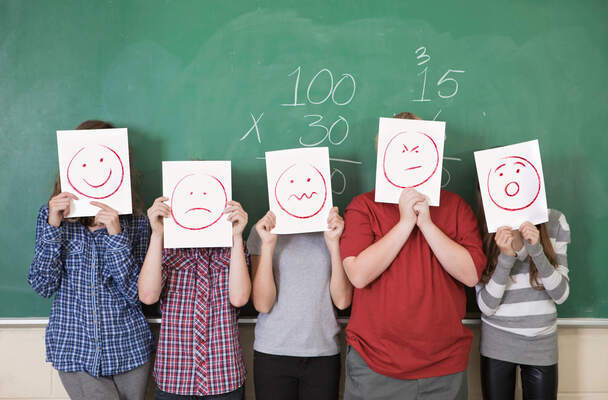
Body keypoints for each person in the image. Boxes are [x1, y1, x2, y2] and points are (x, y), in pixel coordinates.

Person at [340, 112, 487, 400]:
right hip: (374, 366)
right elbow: (358, 275)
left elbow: (471, 274)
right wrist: (405, 223)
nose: (410, 156)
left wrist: (427, 224)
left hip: (444, 367)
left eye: (419, 147)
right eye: (400, 148)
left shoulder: (456, 207)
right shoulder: (363, 207)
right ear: (384, 153)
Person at [28, 120, 154, 400]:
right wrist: (53, 227)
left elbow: (139, 295)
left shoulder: (137, 223)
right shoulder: (49, 219)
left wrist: (115, 235)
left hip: (128, 350)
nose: (96, 170)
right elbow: (43, 285)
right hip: (75, 349)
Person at [138, 195, 251, 400]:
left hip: (223, 377)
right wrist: (156, 234)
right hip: (174, 378)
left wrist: (236, 236)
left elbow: (240, 298)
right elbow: (147, 296)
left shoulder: (234, 248)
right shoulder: (166, 248)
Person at [248, 206, 352, 400]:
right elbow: (262, 304)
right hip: (273, 353)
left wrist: (334, 245)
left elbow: (343, 300)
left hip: (322, 352)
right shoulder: (262, 230)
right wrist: (268, 246)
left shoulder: (333, 229)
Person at [476, 191, 570, 399]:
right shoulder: (485, 226)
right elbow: (487, 306)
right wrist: (505, 258)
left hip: (541, 342)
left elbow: (561, 294)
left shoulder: (555, 221)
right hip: (497, 341)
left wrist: (536, 251)